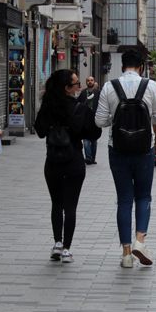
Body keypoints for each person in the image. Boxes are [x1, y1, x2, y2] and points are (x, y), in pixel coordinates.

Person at [95, 50, 156, 268]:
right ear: (141, 67)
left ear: (122, 66)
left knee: (124, 199)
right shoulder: (150, 86)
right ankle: (140, 241)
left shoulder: (109, 86)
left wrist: (115, 118)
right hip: (145, 148)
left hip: (117, 149)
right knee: (143, 197)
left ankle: (126, 254)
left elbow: (99, 121)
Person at [34, 69, 102, 263]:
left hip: (52, 160)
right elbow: (94, 133)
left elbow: (39, 131)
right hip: (74, 161)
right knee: (70, 206)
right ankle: (66, 249)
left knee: (56, 203)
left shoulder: (48, 106)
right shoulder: (79, 108)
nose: (78, 86)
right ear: (66, 88)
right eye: (75, 84)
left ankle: (57, 242)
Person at [78, 76, 101, 165]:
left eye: (91, 80)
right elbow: (78, 104)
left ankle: (92, 158)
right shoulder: (83, 93)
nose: (90, 82)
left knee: (94, 140)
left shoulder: (98, 93)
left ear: (94, 81)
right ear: (86, 82)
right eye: (88, 80)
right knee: (86, 139)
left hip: (95, 119)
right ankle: (88, 157)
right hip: (85, 119)